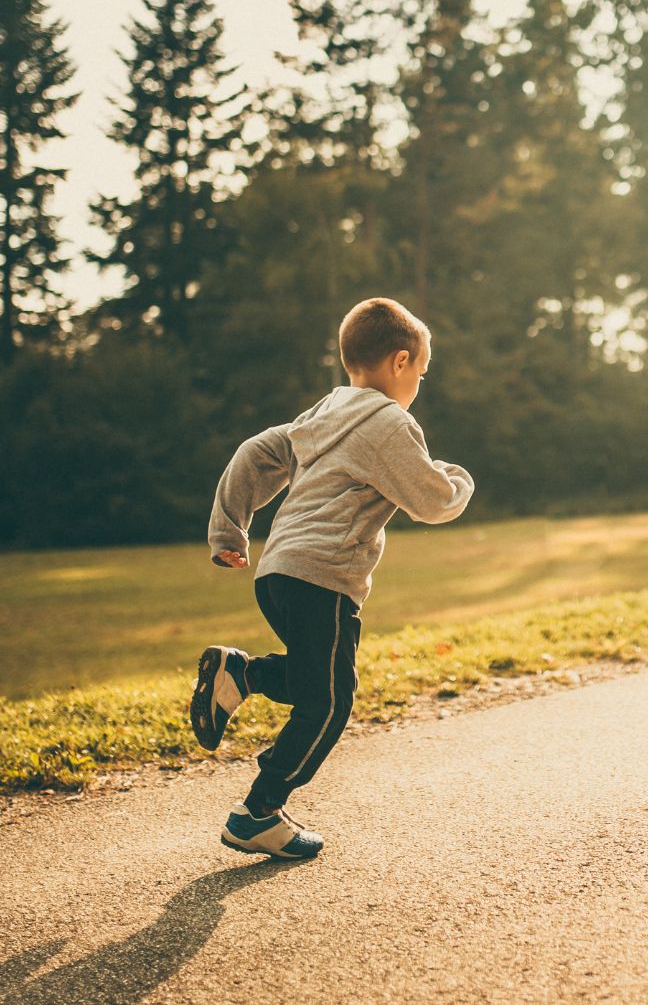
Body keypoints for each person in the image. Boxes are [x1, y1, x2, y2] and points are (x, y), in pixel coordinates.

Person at [191, 297, 475, 859]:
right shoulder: (389, 422)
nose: (419, 384)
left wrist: (229, 530)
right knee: (328, 705)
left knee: (312, 683)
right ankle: (258, 812)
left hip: (278, 573)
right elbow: (433, 501)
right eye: (420, 372)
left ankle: (242, 675)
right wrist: (457, 477)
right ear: (399, 361)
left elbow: (254, 452)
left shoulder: (322, 413)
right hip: (323, 577)